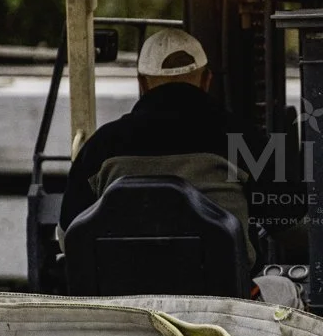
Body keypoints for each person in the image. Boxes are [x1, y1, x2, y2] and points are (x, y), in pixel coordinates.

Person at [57, 27, 253, 242]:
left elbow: (69, 235)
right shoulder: (244, 138)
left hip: (123, 276)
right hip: (221, 276)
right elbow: (291, 227)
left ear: (142, 83)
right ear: (207, 80)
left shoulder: (100, 146)